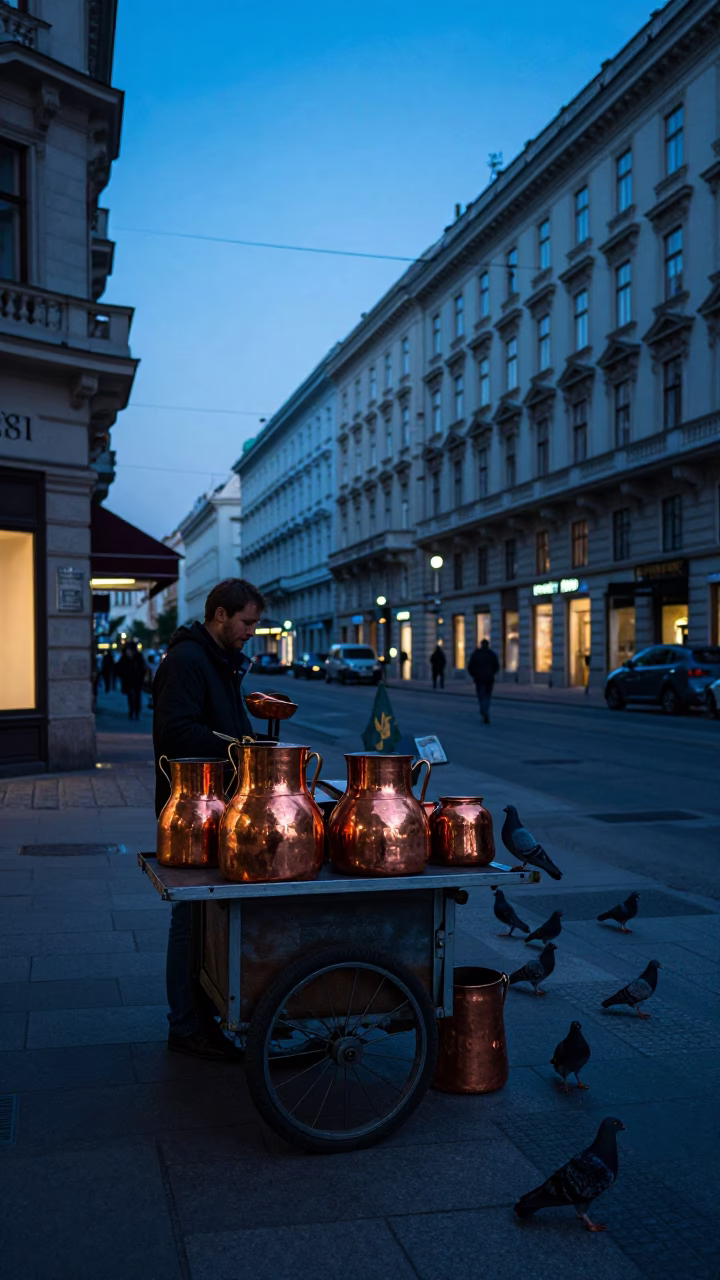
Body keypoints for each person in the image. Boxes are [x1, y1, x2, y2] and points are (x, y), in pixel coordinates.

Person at [152, 578, 264, 1058]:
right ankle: (187, 1025)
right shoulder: (187, 661)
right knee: (190, 918)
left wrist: (251, 737)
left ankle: (210, 1012)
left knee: (209, 919)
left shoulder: (215, 660)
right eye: (246, 622)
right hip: (193, 811)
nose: (251, 632)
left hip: (217, 805)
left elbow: (221, 722)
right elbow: (175, 734)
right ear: (220, 615)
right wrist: (240, 746)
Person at [468, 638, 500, 723]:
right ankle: (485, 709)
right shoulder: (491, 654)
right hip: (489, 678)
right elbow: (497, 666)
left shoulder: (476, 654)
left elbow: (470, 666)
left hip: (479, 678)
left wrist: (474, 675)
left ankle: (484, 709)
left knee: (481, 695)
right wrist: (492, 673)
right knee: (488, 695)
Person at [117, 641, 146, 720]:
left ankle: (136, 712)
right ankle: (132, 711)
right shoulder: (125, 658)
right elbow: (119, 668)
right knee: (130, 697)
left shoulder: (138, 657)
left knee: (137, 697)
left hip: (137, 680)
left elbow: (143, 668)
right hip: (129, 680)